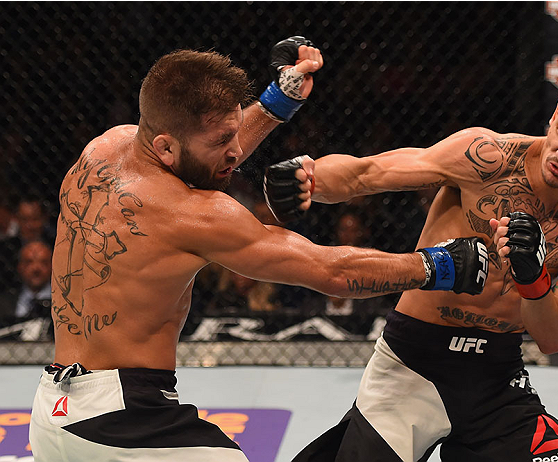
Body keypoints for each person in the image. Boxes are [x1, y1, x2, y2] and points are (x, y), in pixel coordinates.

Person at [29, 40, 490, 462]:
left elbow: (199, 158)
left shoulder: (106, 148)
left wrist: (278, 100)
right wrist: (440, 264)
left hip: (54, 410)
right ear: (165, 147)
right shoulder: (197, 214)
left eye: (234, 134)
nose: (234, 152)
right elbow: (327, 271)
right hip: (119, 419)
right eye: (221, 143)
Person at [264, 72, 558, 462]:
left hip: (498, 379)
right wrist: (307, 180)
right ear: (556, 112)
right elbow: (367, 173)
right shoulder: (486, 157)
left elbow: (556, 337)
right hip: (412, 362)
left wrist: (532, 278)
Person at [0, 240, 53, 338]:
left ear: (52, 266)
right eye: (29, 262)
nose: (36, 268)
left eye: (43, 262)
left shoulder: (64, 302)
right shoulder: (3, 302)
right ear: (20, 267)